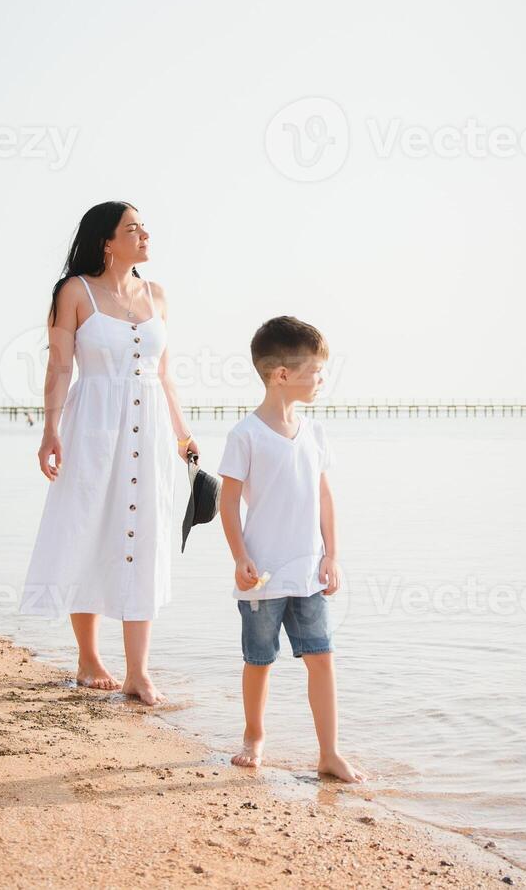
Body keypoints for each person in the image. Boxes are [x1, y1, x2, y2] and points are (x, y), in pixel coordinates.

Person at [19, 201, 199, 705]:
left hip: (150, 429)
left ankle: (138, 672)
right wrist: (49, 430)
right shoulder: (73, 292)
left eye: (144, 227)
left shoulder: (157, 294)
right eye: (132, 228)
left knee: (144, 536)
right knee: (88, 526)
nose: (145, 235)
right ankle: (89, 658)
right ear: (106, 241)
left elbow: (165, 374)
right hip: (93, 423)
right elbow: (59, 368)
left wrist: (183, 436)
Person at [217, 317, 365, 782]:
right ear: (282, 374)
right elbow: (228, 502)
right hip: (261, 574)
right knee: (259, 660)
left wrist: (332, 554)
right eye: (315, 371)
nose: (322, 380)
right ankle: (254, 736)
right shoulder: (246, 434)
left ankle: (329, 752)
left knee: (322, 658)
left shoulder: (314, 433)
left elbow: (325, 497)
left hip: (308, 573)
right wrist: (240, 556)